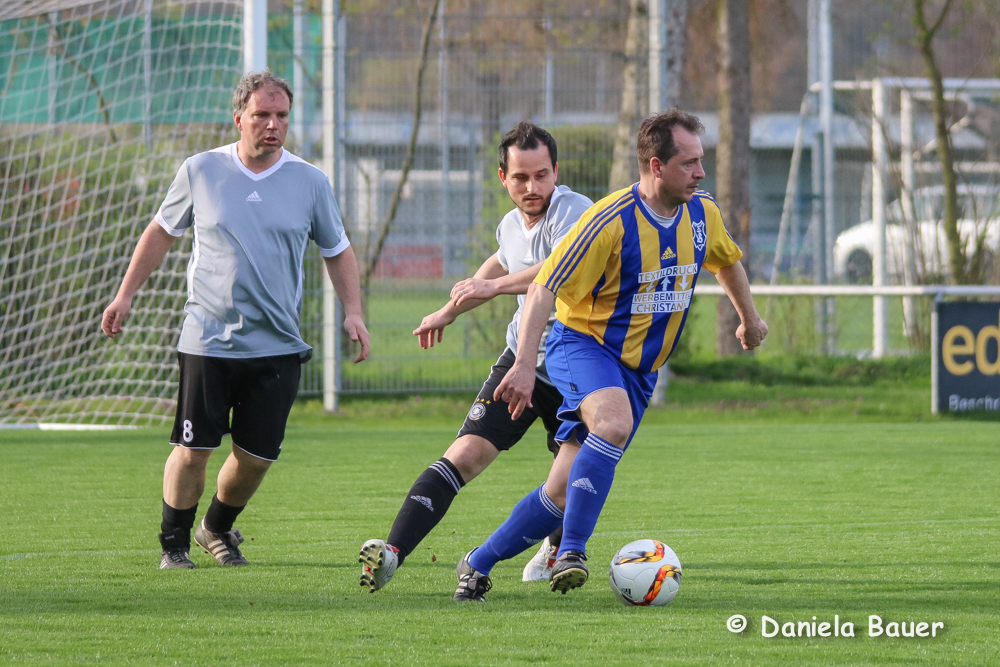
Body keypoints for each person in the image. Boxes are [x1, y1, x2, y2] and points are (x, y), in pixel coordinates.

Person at [454, 109, 768, 600]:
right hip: (581, 345)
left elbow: (725, 261)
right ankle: (571, 552)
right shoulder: (608, 221)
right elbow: (541, 290)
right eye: (689, 163)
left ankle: (476, 563)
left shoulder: (701, 213)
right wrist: (521, 364)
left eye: (700, 161)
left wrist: (749, 319)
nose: (701, 172)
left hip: (640, 370)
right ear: (655, 166)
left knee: (560, 493)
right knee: (613, 423)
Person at [101, 71, 370, 570]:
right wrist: (124, 296)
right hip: (207, 339)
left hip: (277, 344)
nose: (273, 125)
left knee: (257, 457)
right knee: (193, 449)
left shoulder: (310, 181)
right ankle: (175, 546)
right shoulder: (201, 170)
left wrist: (353, 312)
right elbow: (160, 232)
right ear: (238, 118)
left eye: (282, 116)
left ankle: (216, 528)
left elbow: (338, 250)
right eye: (262, 115)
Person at [358, 122, 593, 594]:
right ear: (502, 176)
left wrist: (492, 287)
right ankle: (392, 554)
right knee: (464, 454)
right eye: (521, 177)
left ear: (556, 172)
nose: (532, 188)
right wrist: (448, 309)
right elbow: (501, 263)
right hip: (521, 356)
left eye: (542, 176)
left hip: (579, 364)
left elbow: (554, 270)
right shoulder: (510, 224)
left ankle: (554, 548)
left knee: (565, 481)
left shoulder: (575, 212)